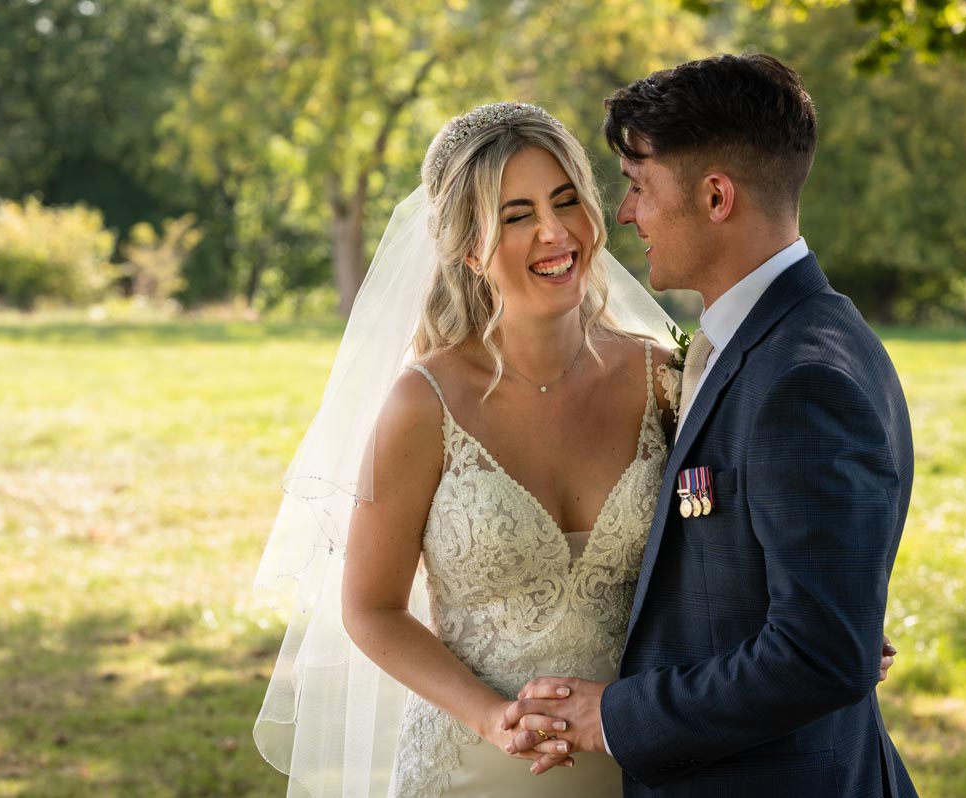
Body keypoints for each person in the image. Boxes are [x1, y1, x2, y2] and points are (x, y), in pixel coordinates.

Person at [254, 99, 896, 798]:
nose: (555, 233)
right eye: (517, 214)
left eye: (566, 201)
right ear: (469, 246)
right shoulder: (421, 404)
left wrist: (829, 617)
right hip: (477, 768)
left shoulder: (664, 378)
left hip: (646, 761)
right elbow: (371, 609)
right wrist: (490, 716)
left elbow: (736, 528)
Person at [503, 54, 918, 797]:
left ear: (716, 196)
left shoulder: (803, 379)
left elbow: (822, 654)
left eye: (638, 187)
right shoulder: (782, 337)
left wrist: (616, 717)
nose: (626, 214)